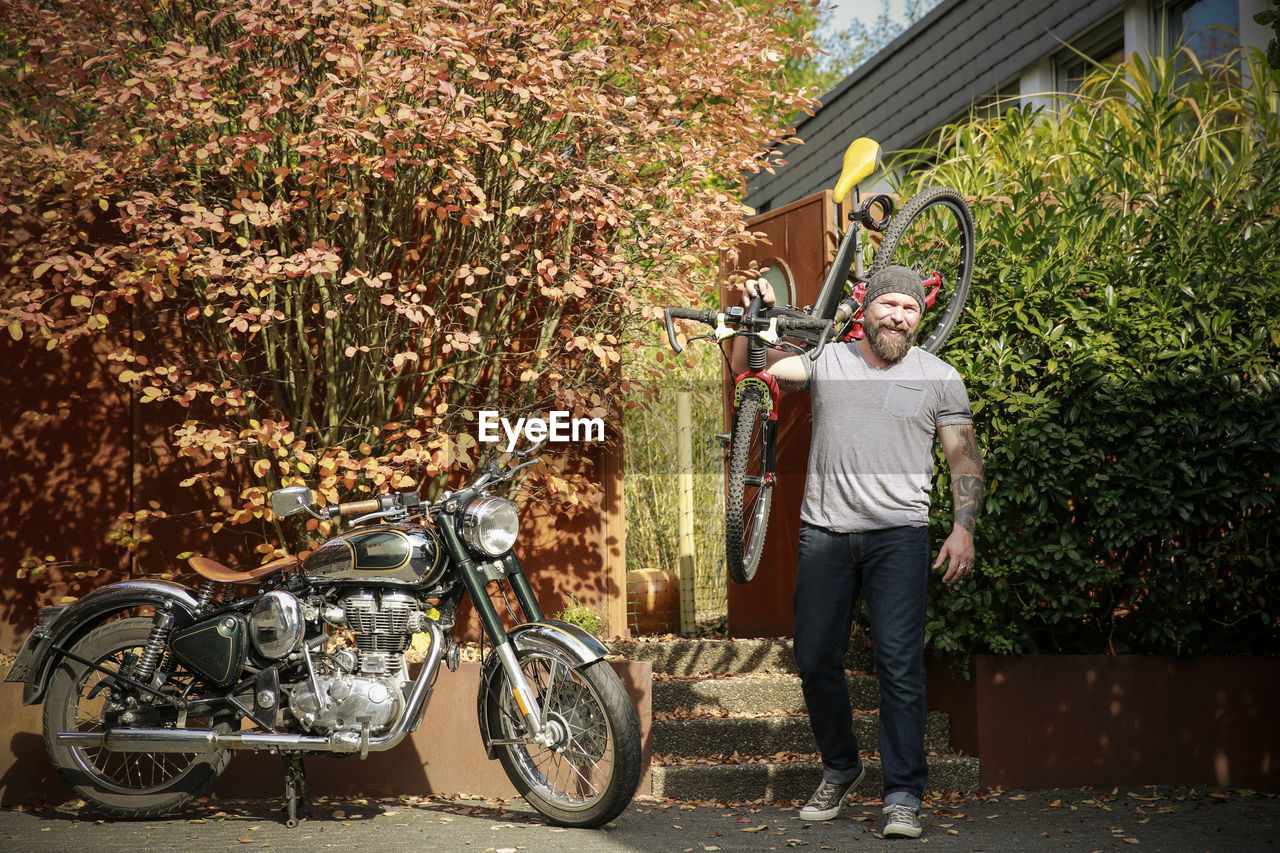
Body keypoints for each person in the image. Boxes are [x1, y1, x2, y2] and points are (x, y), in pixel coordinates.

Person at [731, 265, 984, 839]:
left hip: (899, 536)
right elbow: (760, 368)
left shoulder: (940, 377)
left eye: (910, 309)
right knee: (816, 658)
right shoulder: (830, 361)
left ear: (921, 318)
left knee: (899, 665)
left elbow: (964, 458)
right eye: (889, 304)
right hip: (825, 532)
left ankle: (901, 794)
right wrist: (758, 317)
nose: (898, 316)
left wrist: (963, 527)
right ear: (866, 308)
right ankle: (842, 764)